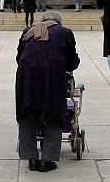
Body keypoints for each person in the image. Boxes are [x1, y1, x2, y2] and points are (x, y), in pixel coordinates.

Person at [16, 10, 80, 173]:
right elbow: (72, 62)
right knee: (53, 113)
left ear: (43, 20)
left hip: (26, 80)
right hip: (51, 80)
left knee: (27, 113)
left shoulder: (28, 31)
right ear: (58, 22)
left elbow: (19, 58)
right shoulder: (64, 32)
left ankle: (31, 158)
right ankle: (47, 160)